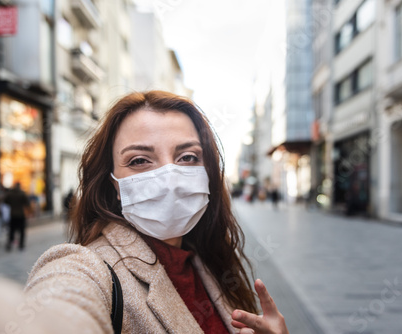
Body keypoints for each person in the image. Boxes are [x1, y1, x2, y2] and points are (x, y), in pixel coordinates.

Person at [25, 91, 289, 334]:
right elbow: (60, 308)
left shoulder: (205, 260)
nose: (169, 178)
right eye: (139, 160)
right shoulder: (87, 268)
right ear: (114, 185)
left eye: (187, 157)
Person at [4, 182, 30, 251]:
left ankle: (10, 243)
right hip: (20, 214)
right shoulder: (22, 193)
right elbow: (27, 203)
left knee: (11, 230)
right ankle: (21, 244)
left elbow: (5, 201)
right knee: (21, 231)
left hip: (12, 214)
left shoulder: (10, 194)